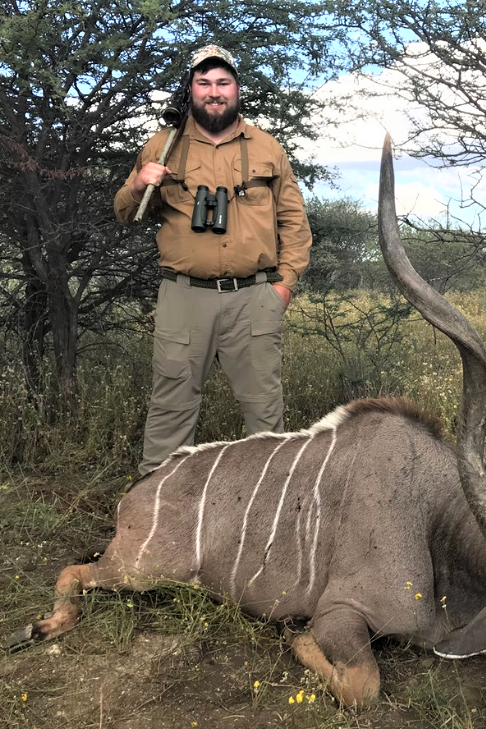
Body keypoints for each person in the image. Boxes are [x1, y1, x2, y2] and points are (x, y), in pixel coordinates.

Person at [115, 44, 312, 479]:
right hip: (184, 298)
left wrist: (283, 287)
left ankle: (267, 521)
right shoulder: (162, 147)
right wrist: (137, 183)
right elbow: (125, 213)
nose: (214, 92)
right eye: (203, 83)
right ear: (190, 90)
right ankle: (155, 517)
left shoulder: (267, 147)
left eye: (223, 82)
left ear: (237, 88)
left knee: (265, 417)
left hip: (255, 297)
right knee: (170, 410)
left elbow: (294, 224)